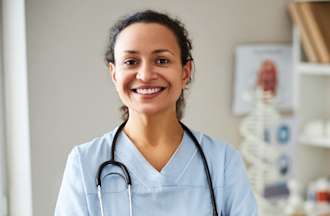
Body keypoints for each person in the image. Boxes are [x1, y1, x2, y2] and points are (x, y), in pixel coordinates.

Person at [55, 10, 257, 216]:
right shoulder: (84, 162)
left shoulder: (223, 161)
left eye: (162, 60)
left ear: (185, 72)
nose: (145, 75)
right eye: (131, 62)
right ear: (114, 74)